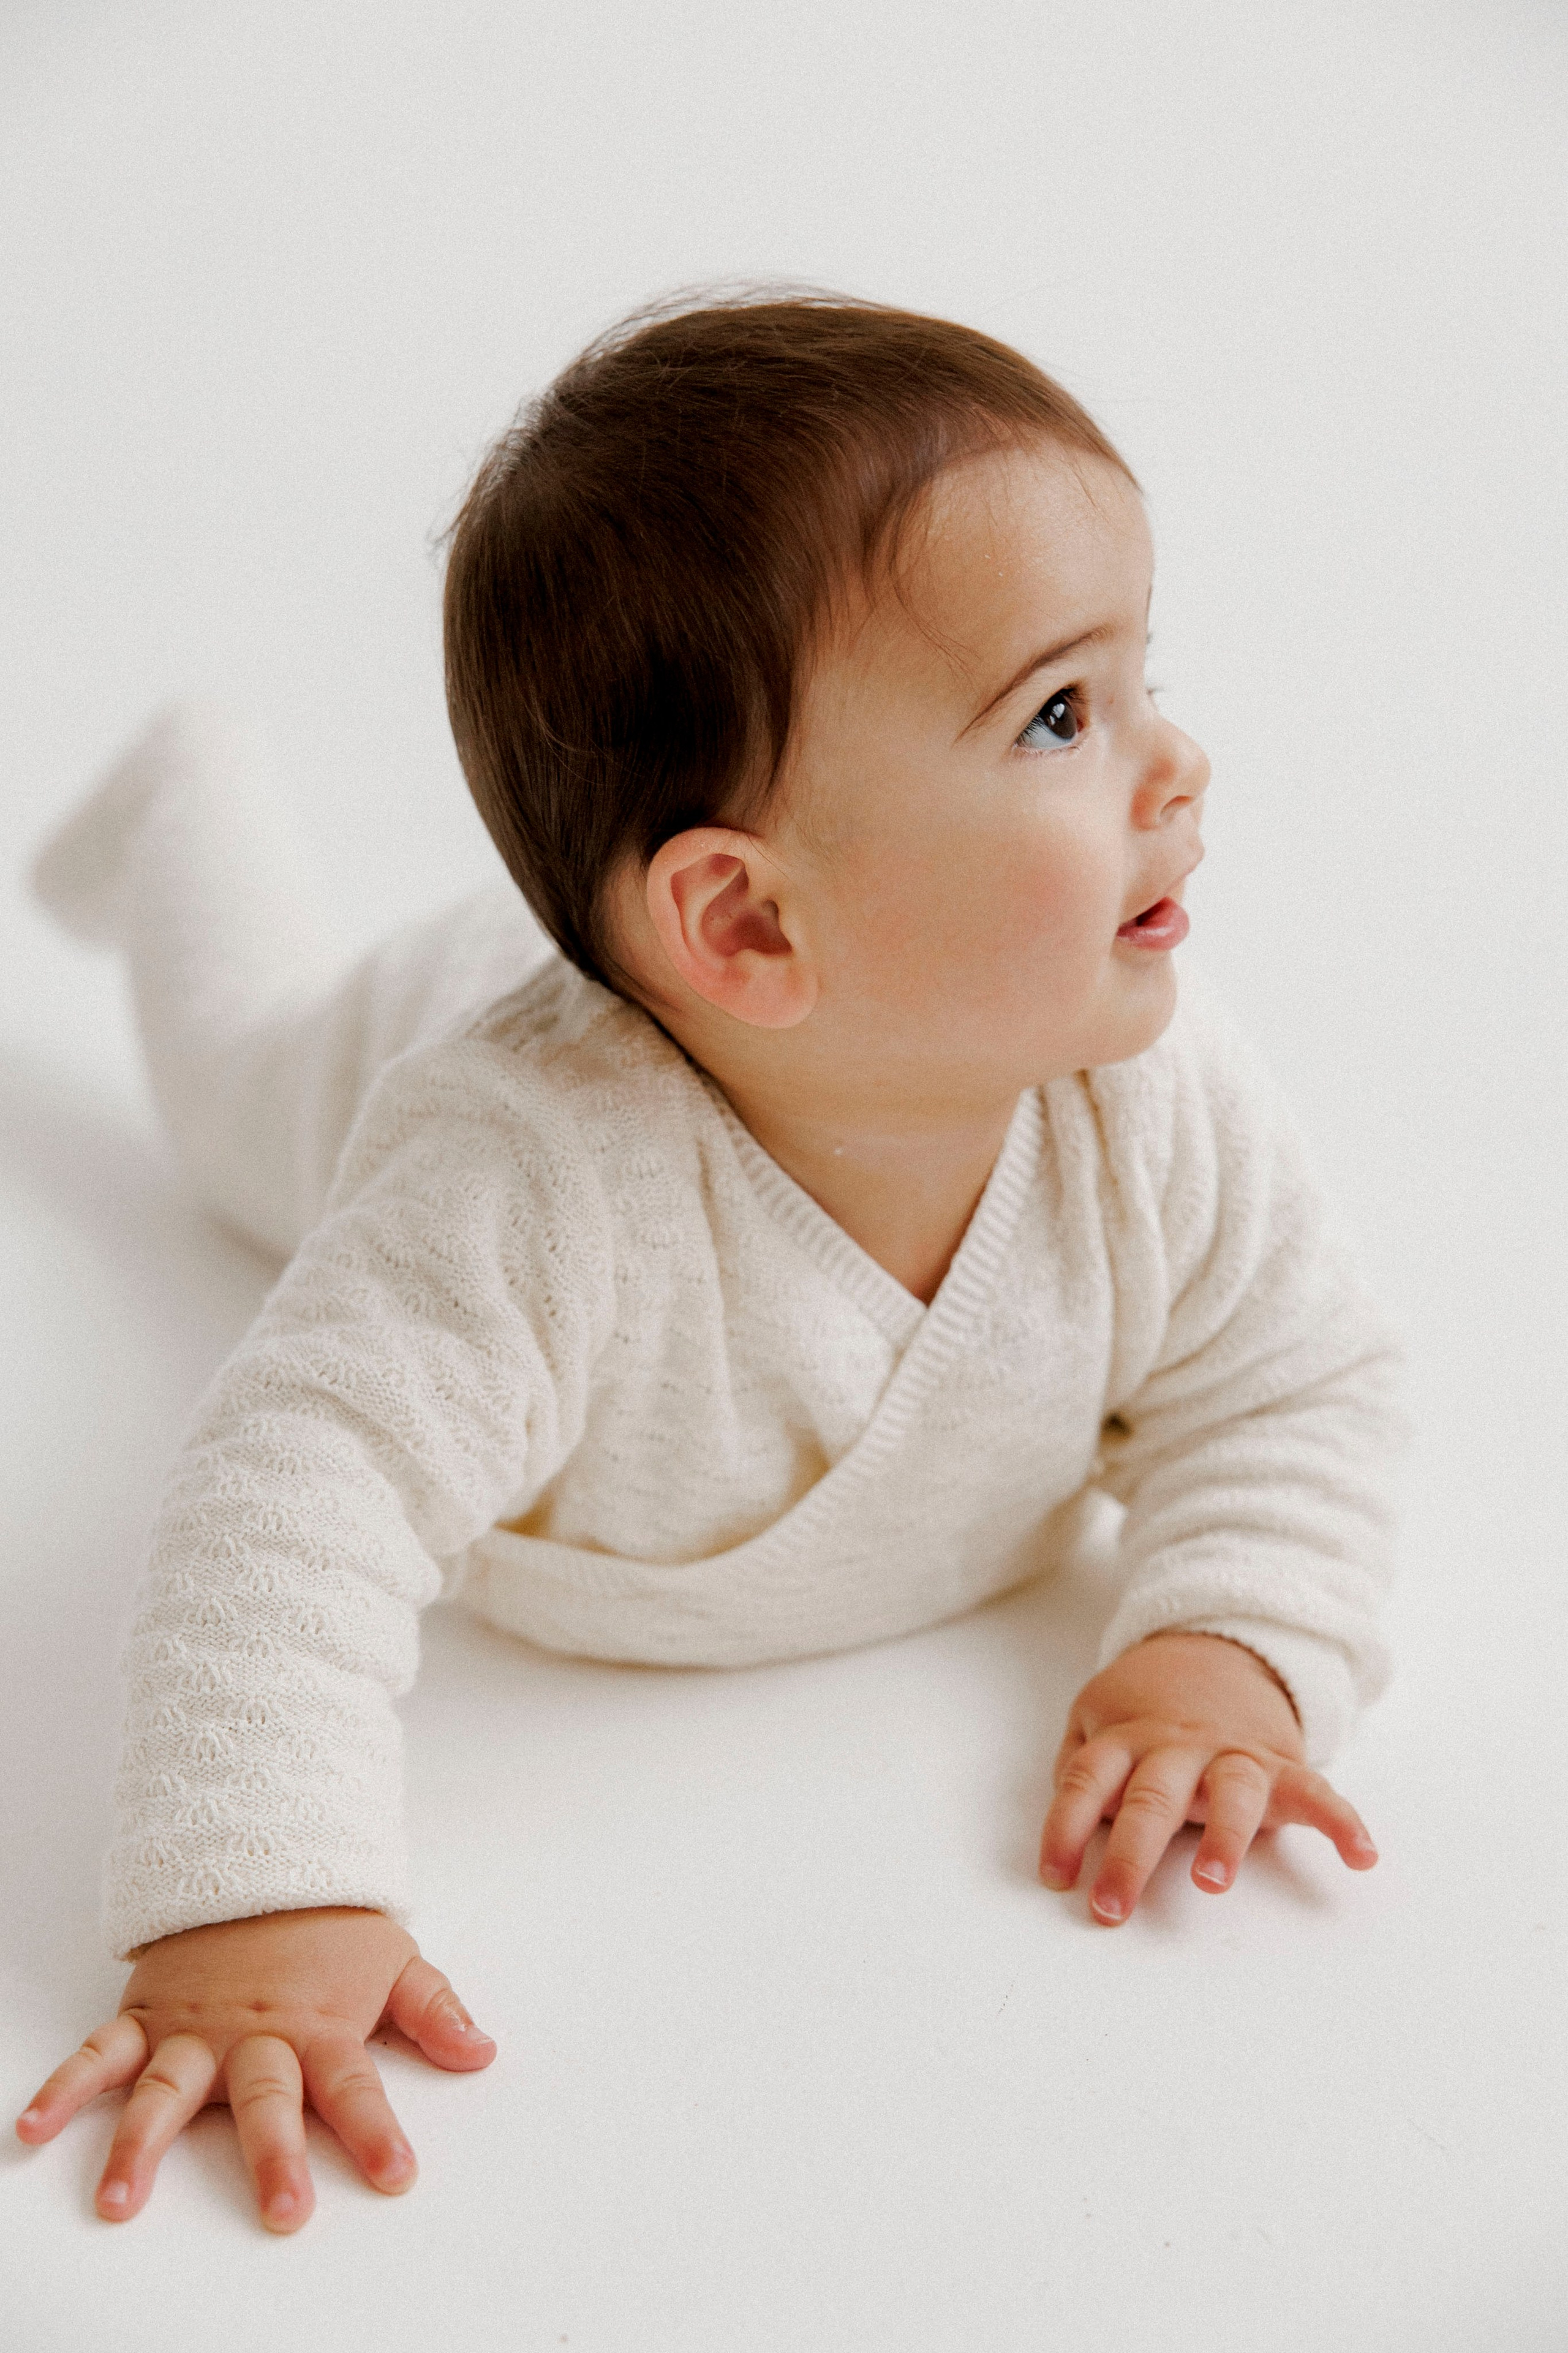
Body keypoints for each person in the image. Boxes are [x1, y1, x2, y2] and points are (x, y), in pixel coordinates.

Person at [15, 294, 1405, 2234]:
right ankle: (184, 796)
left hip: (628, 948)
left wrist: (1228, 1640)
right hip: (390, 1050)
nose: (1177, 763)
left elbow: (1296, 1374)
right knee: (232, 1063)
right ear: (744, 924)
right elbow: (291, 1494)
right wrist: (258, 1893)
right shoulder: (510, 1186)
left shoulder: (1149, 1093)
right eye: (1064, 716)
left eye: (1142, 678)